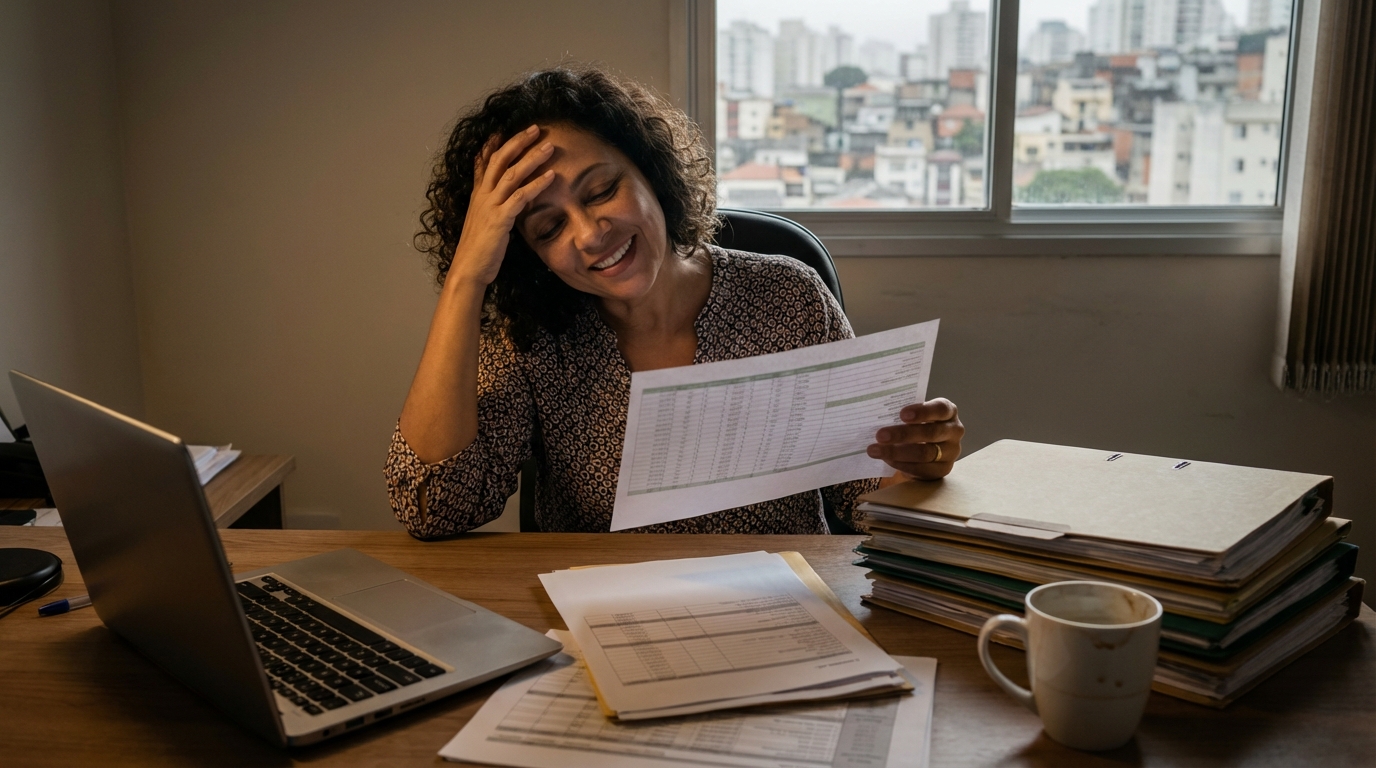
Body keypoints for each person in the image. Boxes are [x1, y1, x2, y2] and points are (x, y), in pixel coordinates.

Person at [386, 67, 964, 536]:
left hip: (784, 609)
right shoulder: (531, 335)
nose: (589, 235)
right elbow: (435, 509)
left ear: (652, 173)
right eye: (547, 229)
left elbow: (865, 499)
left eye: (602, 189)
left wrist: (918, 463)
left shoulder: (787, 297)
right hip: (602, 620)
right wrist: (468, 277)